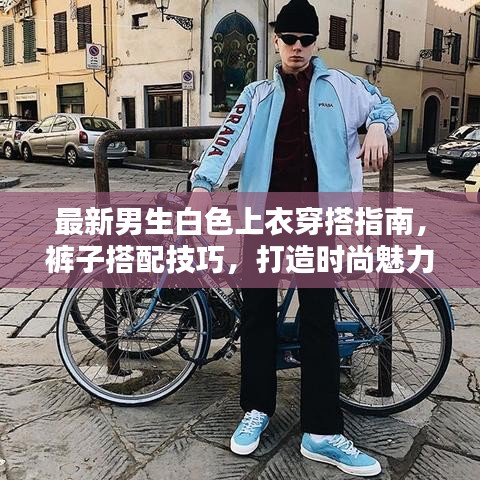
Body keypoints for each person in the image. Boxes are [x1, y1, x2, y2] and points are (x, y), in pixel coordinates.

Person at [190, 0, 399, 476]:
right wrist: (203, 186)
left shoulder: (342, 86)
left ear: (316, 42)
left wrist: (377, 127)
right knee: (257, 314)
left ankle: (321, 433)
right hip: (264, 220)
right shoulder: (257, 93)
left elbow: (383, 104)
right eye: (289, 39)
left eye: (306, 39)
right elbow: (226, 140)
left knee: (319, 320)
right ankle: (256, 409)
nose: (297, 48)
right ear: (276, 40)